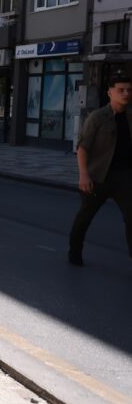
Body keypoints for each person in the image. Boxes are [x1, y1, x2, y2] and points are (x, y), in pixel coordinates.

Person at [69, 75, 132, 266]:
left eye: (129, 90)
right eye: (121, 90)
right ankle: (75, 251)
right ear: (110, 92)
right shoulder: (97, 117)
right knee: (85, 216)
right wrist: (83, 174)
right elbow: (83, 148)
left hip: (125, 177)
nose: (126, 93)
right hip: (97, 177)